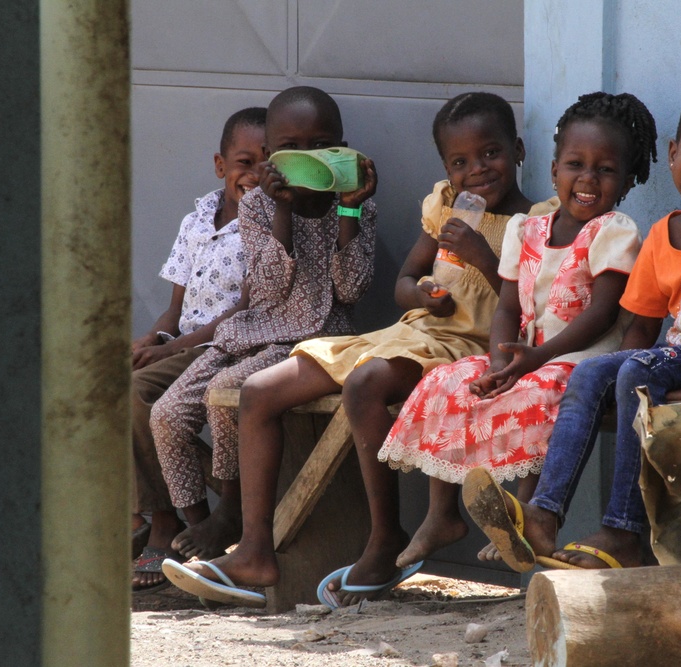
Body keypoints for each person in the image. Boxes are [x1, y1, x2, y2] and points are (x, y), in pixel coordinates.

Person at [161, 92, 552, 609]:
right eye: (460, 162)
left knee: (366, 381)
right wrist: (421, 294)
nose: (477, 170)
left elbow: (533, 303)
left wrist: (482, 257)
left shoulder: (537, 221)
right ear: (445, 169)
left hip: (468, 345)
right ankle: (255, 549)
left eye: (490, 154)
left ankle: (384, 535)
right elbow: (404, 283)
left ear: (519, 150)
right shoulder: (443, 204)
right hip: (412, 331)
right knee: (258, 391)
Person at [463, 90, 681, 572]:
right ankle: (542, 516)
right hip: (674, 361)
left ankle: (624, 532)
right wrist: (620, 381)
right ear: (673, 152)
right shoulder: (661, 233)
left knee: (634, 368)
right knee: (595, 372)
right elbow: (641, 326)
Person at [378, 92, 658, 573]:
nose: (587, 179)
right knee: (449, 380)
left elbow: (604, 314)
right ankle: (440, 514)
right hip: (525, 353)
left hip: (582, 357)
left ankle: (529, 516)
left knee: (542, 391)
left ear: (627, 182)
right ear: (554, 171)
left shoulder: (614, 230)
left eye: (605, 170)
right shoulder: (526, 230)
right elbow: (508, 306)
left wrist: (537, 357)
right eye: (575, 164)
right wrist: (496, 361)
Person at [149, 86, 378, 572]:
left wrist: (352, 210)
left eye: (323, 143)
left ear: (340, 146)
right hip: (256, 329)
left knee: (227, 391)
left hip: (315, 337)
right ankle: (202, 523)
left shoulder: (353, 204)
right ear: (275, 155)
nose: (310, 154)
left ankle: (232, 511)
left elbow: (352, 288)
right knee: (167, 414)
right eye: (295, 146)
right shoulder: (257, 206)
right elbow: (270, 289)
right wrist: (282, 210)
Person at [131, 106, 266, 593]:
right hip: (183, 342)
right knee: (116, 383)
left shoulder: (266, 227)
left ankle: (171, 525)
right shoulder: (197, 219)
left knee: (140, 396)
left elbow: (242, 314)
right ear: (220, 165)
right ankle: (154, 516)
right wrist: (151, 339)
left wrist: (170, 351)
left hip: (221, 345)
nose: (252, 175)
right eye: (243, 163)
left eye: (265, 164)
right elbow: (175, 308)